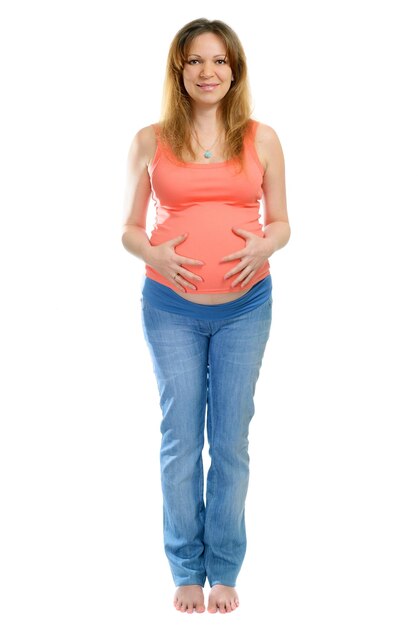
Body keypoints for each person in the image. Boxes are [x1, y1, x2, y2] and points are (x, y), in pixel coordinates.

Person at [121, 17, 290, 614]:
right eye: (195, 61)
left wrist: (266, 245)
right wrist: (154, 253)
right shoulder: (150, 140)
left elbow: (282, 223)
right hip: (170, 308)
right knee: (180, 438)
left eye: (219, 61)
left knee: (231, 440)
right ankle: (185, 568)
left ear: (235, 69)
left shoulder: (262, 138)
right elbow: (129, 230)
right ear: (179, 69)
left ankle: (225, 567)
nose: (208, 72)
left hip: (247, 307)